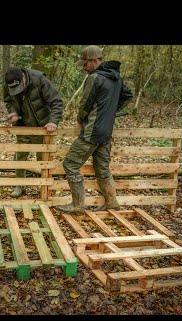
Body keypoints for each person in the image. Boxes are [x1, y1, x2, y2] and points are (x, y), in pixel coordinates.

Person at [56, 46, 133, 215]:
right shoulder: (116, 77)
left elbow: (86, 103)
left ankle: (77, 205)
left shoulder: (95, 77)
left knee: (70, 164)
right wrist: (111, 110)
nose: (84, 68)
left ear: (94, 61)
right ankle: (112, 203)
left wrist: (80, 119)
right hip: (106, 133)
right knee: (102, 169)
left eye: (85, 64)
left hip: (92, 132)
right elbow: (128, 95)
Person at [3, 67, 63, 198]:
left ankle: (44, 186)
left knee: (43, 158)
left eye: (20, 87)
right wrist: (13, 112)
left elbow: (57, 101)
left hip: (42, 127)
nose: (18, 91)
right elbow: (8, 101)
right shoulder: (8, 82)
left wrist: (53, 121)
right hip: (22, 125)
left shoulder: (39, 79)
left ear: (23, 78)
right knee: (20, 157)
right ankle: (20, 185)